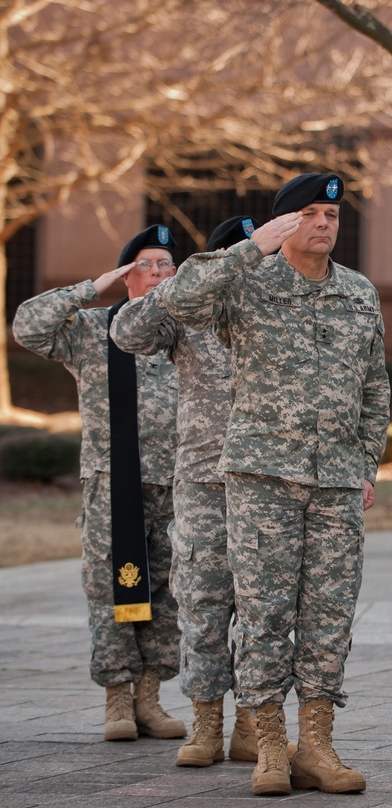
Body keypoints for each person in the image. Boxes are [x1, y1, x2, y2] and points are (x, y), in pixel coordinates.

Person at [155, 173, 389, 797]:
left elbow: (375, 385)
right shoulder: (246, 283)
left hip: (336, 482)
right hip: (262, 478)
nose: (323, 224)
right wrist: (249, 247)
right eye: (309, 213)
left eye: (331, 215)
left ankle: (317, 746)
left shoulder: (360, 294)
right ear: (282, 223)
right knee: (263, 615)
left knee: (329, 616)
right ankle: (268, 750)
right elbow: (178, 299)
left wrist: (366, 461)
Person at [12, 224, 185, 742]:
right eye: (145, 264)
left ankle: (150, 699)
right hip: (114, 487)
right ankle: (117, 701)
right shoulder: (92, 330)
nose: (156, 274)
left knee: (170, 593)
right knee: (114, 586)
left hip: (179, 489)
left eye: (166, 265)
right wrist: (93, 286)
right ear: (127, 274)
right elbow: (28, 327)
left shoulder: (189, 333)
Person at [110, 216, 271, 768]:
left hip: (265, 481)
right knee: (201, 604)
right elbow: (127, 331)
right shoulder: (186, 315)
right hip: (202, 480)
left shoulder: (277, 312)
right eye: (235, 257)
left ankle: (253, 725)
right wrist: (180, 284)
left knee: (261, 609)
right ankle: (205, 725)